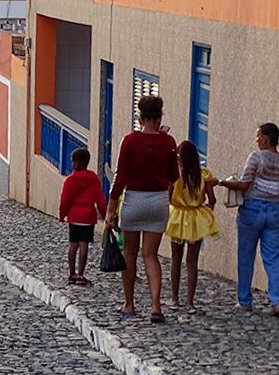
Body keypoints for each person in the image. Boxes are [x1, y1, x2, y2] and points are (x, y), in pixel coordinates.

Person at [104, 96, 179, 324]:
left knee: (129, 253)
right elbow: (173, 176)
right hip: (158, 201)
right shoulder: (169, 142)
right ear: (159, 118)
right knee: (151, 255)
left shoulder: (129, 141)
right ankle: (156, 306)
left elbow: (120, 178)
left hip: (134, 201)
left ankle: (129, 303)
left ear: (140, 117)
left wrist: (110, 209)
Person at [219, 122, 279, 315]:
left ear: (266, 138)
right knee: (273, 257)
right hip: (275, 211)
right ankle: (276, 301)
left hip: (252, 210)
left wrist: (223, 182)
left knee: (246, 256)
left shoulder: (256, 157)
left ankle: (244, 300)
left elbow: (244, 185)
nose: (256, 140)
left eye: (258, 136)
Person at [165, 140, 220, 314]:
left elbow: (169, 196)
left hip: (178, 217)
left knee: (175, 258)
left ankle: (174, 299)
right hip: (197, 218)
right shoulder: (203, 174)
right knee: (192, 262)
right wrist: (206, 210)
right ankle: (190, 303)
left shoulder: (175, 176)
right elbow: (212, 200)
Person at [59, 148, 107, 286]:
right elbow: (100, 200)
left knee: (73, 245)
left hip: (74, 217)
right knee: (84, 245)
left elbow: (65, 200)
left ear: (75, 163)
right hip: (87, 217)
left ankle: (71, 274)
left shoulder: (70, 181)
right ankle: (81, 274)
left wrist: (62, 215)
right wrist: (106, 216)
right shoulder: (94, 179)